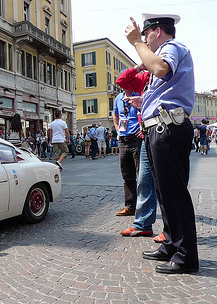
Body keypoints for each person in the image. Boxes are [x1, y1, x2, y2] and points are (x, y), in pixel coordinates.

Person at [125, 13, 198, 274]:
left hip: (168, 127)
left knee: (174, 193)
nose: (144, 39)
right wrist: (142, 103)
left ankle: (186, 254)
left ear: (156, 31)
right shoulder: (165, 51)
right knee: (163, 191)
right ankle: (170, 242)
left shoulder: (171, 47)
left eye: (146, 34)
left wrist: (136, 43)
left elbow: (159, 69)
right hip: (159, 126)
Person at [117, 64, 165, 243]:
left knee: (165, 182)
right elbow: (121, 80)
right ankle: (143, 224)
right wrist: (140, 67)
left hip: (162, 128)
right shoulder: (144, 78)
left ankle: (171, 229)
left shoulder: (165, 71)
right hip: (146, 132)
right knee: (144, 180)